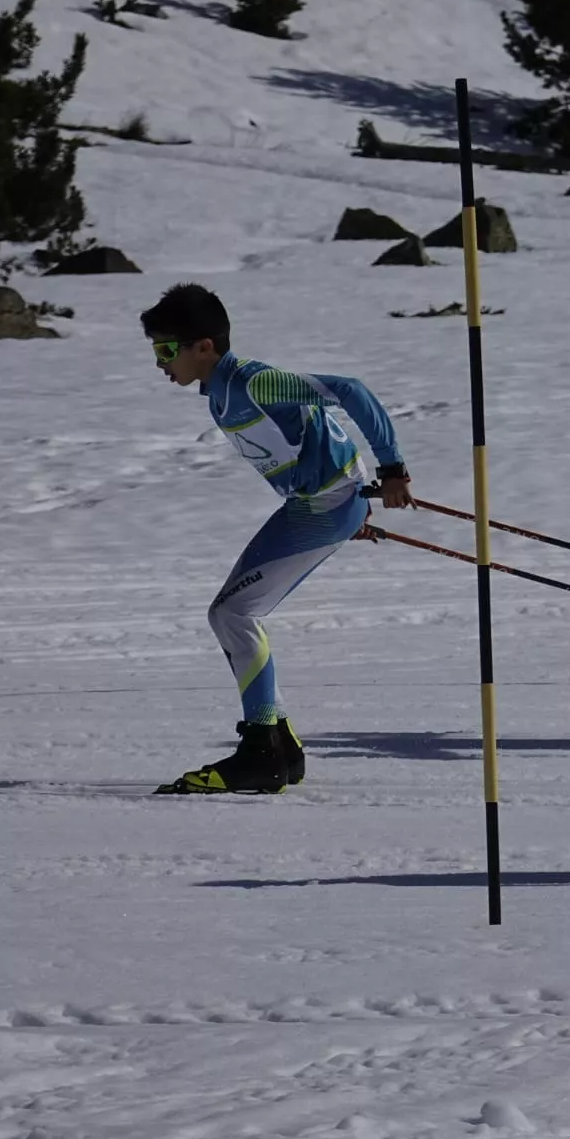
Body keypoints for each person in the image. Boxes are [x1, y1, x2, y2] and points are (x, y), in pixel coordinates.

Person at [140, 283, 414, 793]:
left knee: (233, 614)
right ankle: (278, 747)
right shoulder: (219, 393)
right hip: (319, 505)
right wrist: (348, 506)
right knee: (231, 613)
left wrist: (390, 469)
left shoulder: (250, 383)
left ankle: (264, 751)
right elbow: (310, 433)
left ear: (205, 346)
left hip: (323, 506)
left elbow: (349, 390)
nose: (159, 362)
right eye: (156, 349)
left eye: (166, 349)